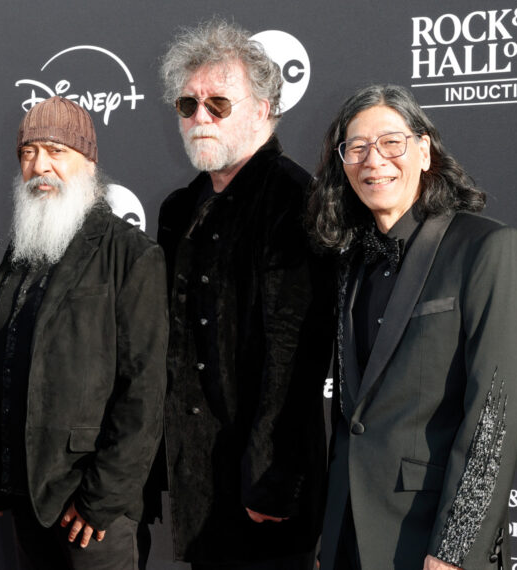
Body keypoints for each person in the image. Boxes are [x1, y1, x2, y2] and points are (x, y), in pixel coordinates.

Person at [306, 83, 517, 570]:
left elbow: (493, 415)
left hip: (427, 537)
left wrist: (454, 551)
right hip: (347, 534)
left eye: (391, 142)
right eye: (356, 147)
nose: (374, 160)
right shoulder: (351, 261)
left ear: (424, 150)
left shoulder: (486, 248)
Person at [155, 19, 332, 569]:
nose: (200, 117)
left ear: (263, 110)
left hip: (266, 492)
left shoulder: (295, 199)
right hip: (197, 481)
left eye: (219, 104)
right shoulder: (179, 209)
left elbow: (295, 352)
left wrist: (274, 476)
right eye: (188, 105)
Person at [0, 96, 168, 570]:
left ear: (89, 162)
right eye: (28, 153)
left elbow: (144, 392)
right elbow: (0, 365)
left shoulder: (131, 254)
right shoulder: (21, 253)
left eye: (56, 151)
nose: (40, 166)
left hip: (92, 511)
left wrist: (101, 498)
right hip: (27, 501)